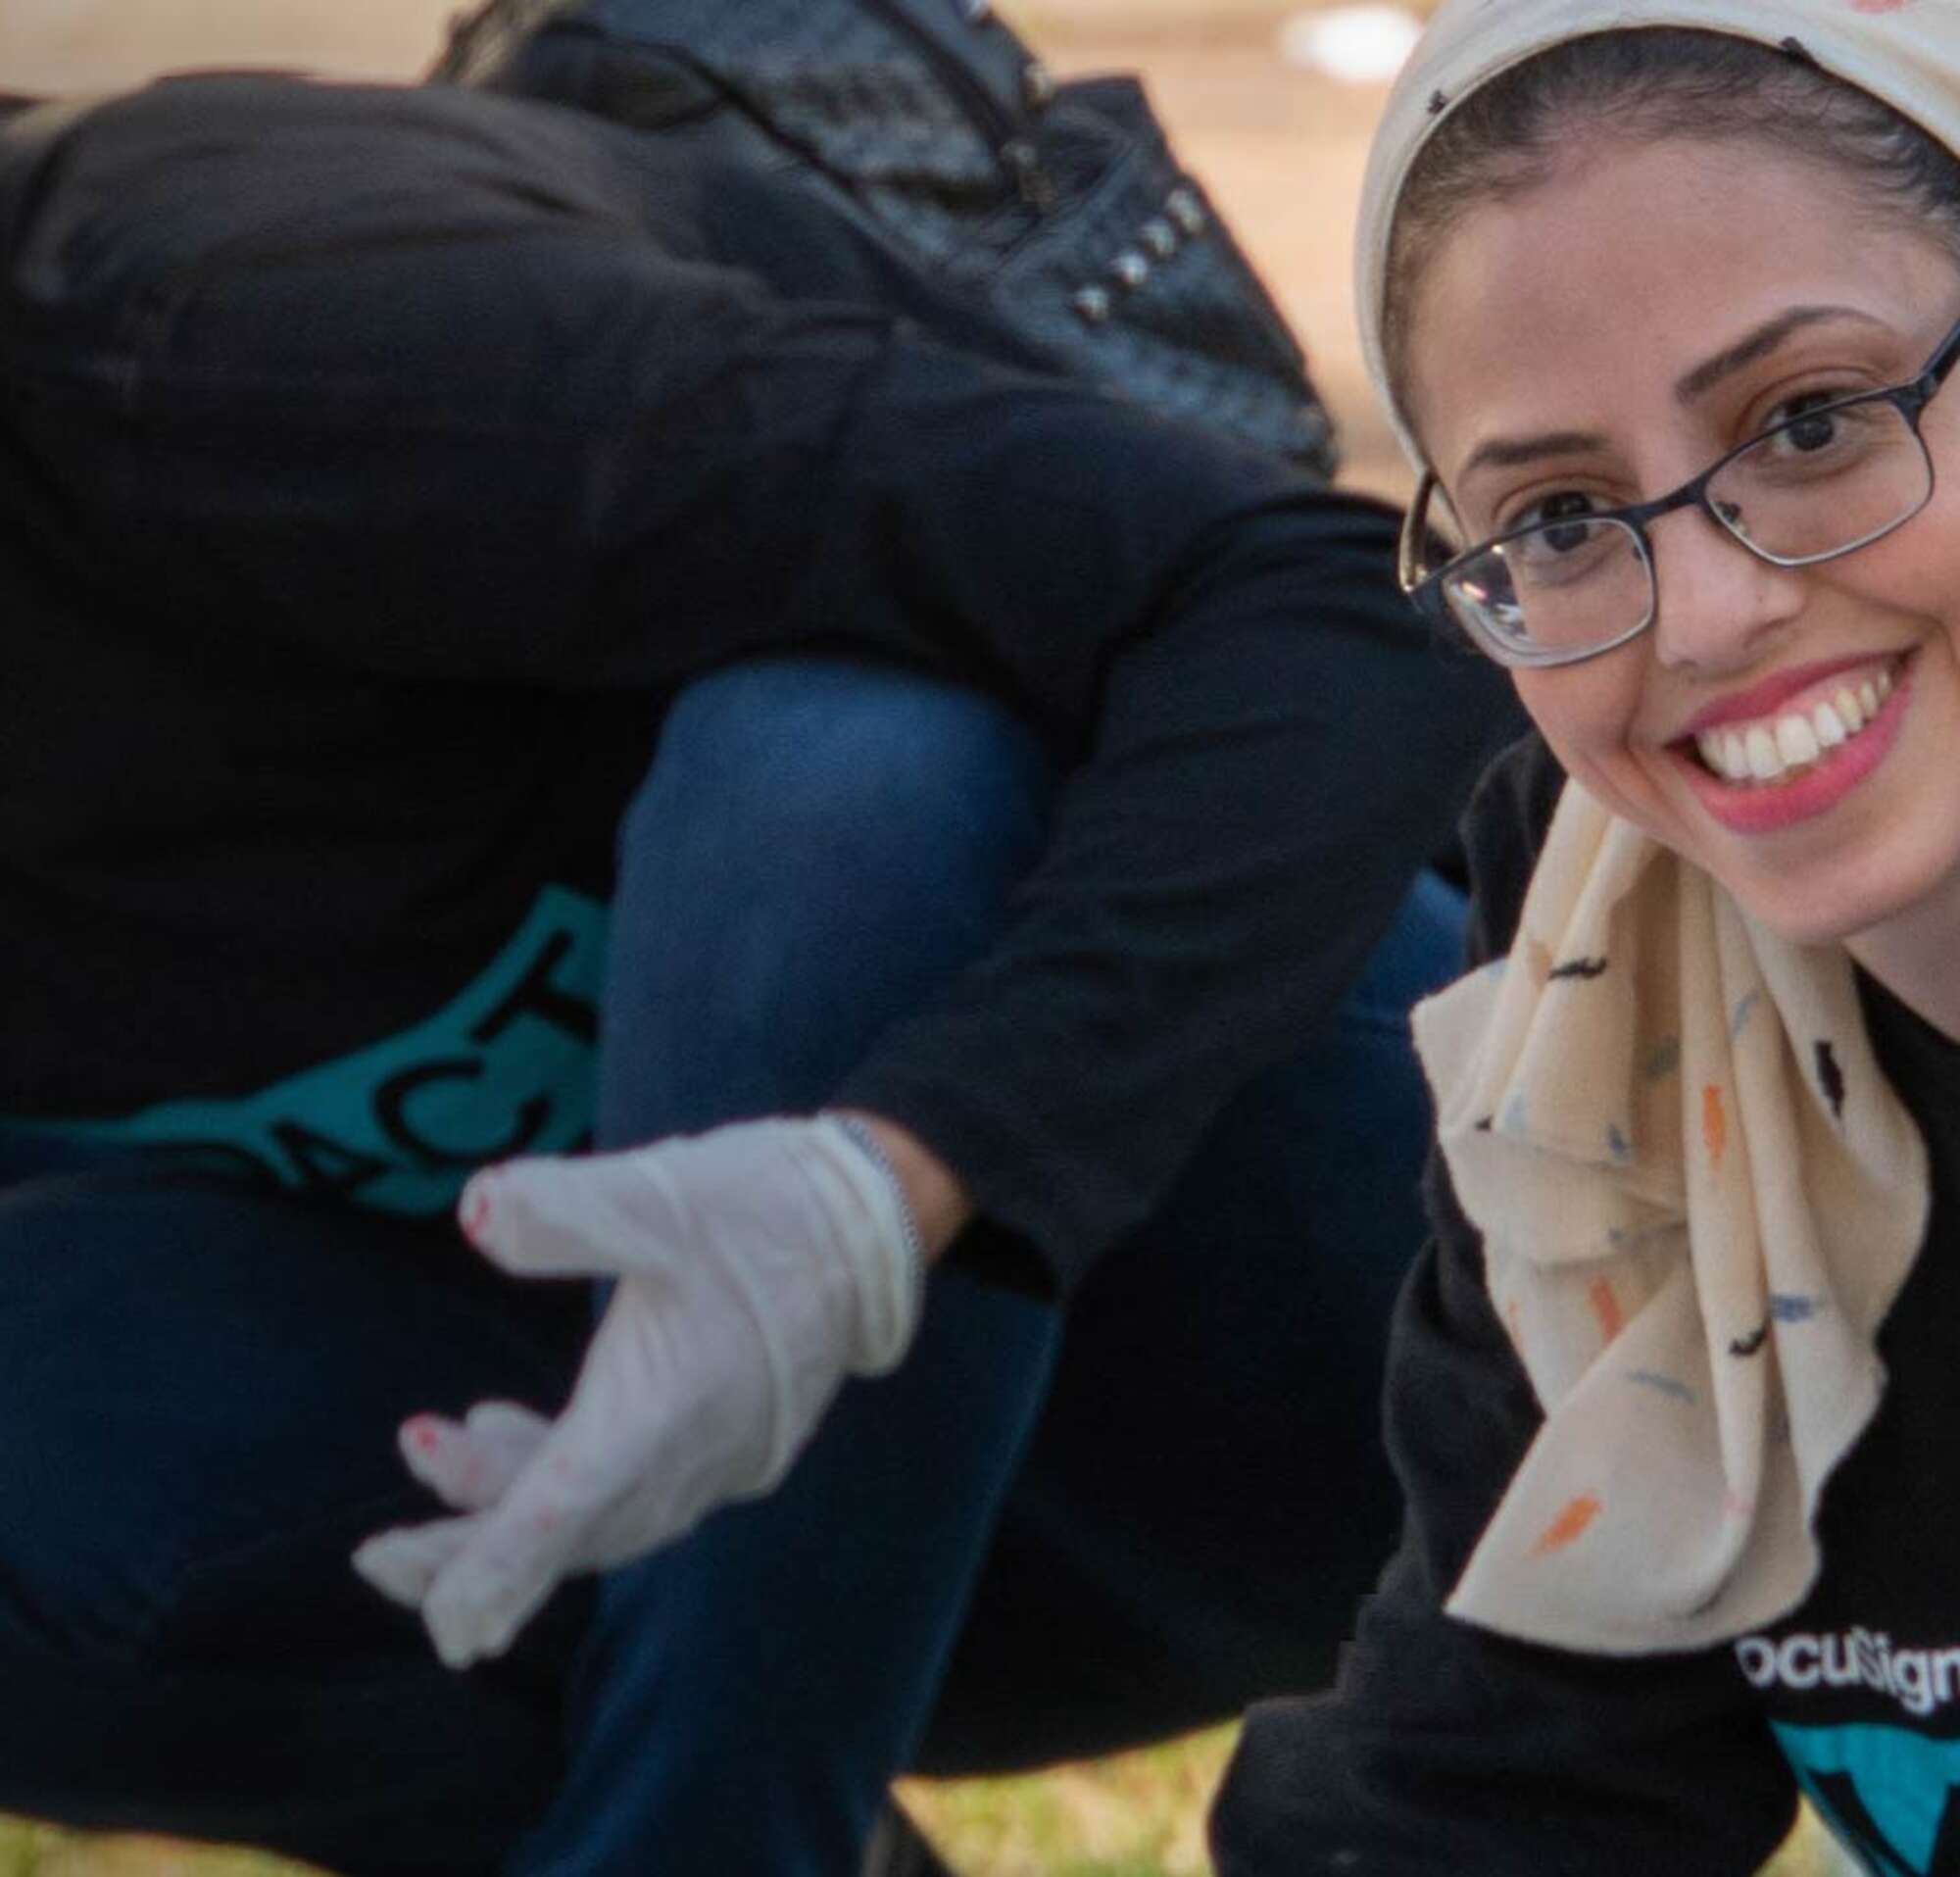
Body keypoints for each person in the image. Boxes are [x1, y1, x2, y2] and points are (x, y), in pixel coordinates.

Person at [0, 7, 1517, 1872]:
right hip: (726, 1532)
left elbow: (1344, 612)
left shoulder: (230, 325)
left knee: (847, 763)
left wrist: (901, 1181)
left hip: (1359, 1292)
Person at [1209, 5, 1960, 1874]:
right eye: (1554, 521)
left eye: (1810, 420)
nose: (1698, 617)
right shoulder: (1624, 1003)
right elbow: (1491, 1791)